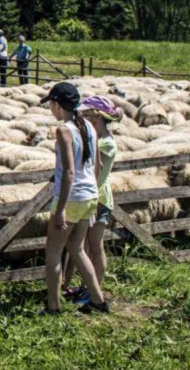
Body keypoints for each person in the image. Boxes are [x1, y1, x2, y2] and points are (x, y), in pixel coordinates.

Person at [40, 82, 108, 314]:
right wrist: (92, 192)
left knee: (53, 251)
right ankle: (99, 301)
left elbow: (69, 171)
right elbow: (97, 165)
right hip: (89, 194)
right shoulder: (89, 126)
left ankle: (53, 306)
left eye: (50, 103)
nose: (50, 107)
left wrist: (60, 210)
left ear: (57, 104)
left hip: (71, 197)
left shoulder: (64, 130)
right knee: (77, 249)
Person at [63, 95, 122, 305]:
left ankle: (94, 289)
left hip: (99, 199)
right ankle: (86, 287)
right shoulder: (99, 139)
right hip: (93, 197)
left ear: (95, 117)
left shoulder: (105, 144)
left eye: (88, 116)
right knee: (84, 245)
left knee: (95, 245)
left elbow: (95, 174)